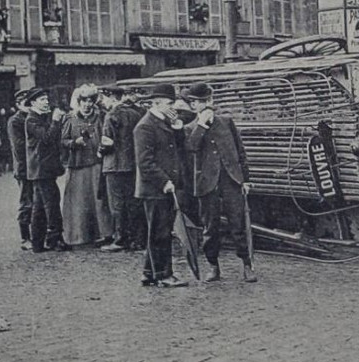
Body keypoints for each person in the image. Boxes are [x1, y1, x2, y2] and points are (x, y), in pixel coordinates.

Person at [184, 81, 256, 283]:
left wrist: (246, 180)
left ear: (211, 101)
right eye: (197, 103)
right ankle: (213, 265)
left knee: (238, 224)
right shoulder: (190, 128)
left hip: (231, 180)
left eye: (205, 101)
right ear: (192, 106)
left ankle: (247, 265)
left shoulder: (226, 122)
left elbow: (241, 153)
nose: (202, 106)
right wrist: (201, 125)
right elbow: (191, 148)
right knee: (210, 227)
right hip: (207, 183)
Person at [133, 84, 190, 289]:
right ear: (156, 103)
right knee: (160, 233)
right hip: (155, 188)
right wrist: (164, 181)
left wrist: (177, 128)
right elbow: (145, 162)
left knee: (158, 230)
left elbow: (180, 148)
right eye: (169, 103)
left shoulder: (164, 122)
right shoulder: (145, 126)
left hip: (166, 186)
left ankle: (149, 273)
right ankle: (164, 275)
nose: (173, 107)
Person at [60, 84, 112, 246]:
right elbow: (63, 140)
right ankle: (78, 235)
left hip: (96, 164)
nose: (87, 104)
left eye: (90, 101)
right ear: (79, 102)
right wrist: (74, 142)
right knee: (78, 201)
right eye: (84, 101)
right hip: (77, 165)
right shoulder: (70, 119)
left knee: (99, 200)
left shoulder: (101, 117)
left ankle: (103, 233)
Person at [99, 85, 146, 251]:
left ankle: (120, 240)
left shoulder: (111, 115)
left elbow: (107, 143)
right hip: (132, 165)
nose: (103, 102)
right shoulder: (137, 113)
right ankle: (138, 239)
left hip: (114, 165)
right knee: (134, 202)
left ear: (112, 98)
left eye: (104, 98)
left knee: (117, 205)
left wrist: (100, 152)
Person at [24, 88, 70, 252]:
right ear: (33, 103)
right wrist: (56, 121)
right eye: (42, 99)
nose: (46, 101)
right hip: (41, 169)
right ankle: (55, 239)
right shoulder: (31, 120)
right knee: (51, 204)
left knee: (40, 206)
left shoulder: (40, 118)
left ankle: (37, 242)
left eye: (46, 99)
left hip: (43, 168)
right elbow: (47, 138)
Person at [6, 90, 34, 248]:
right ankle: (25, 237)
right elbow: (19, 147)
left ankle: (37, 233)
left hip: (36, 167)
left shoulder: (32, 118)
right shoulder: (15, 121)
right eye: (25, 102)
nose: (29, 105)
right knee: (26, 202)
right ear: (18, 104)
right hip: (24, 168)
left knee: (37, 201)